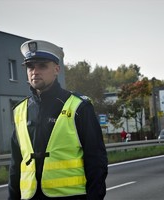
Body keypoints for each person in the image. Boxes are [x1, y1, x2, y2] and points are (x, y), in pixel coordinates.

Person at [8, 40, 108, 200]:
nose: (35, 71)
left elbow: (96, 160)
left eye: (42, 66)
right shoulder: (20, 110)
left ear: (56, 69)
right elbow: (15, 165)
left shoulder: (79, 106)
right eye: (30, 66)